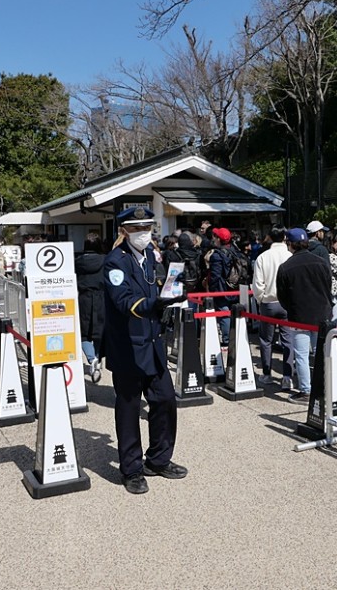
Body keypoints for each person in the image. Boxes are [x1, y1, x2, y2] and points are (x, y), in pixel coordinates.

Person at [103, 206, 187, 495]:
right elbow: (125, 301)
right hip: (127, 346)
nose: (143, 234)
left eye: (147, 227)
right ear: (124, 230)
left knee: (165, 400)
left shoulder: (151, 256)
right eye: (137, 228)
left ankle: (159, 459)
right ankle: (132, 469)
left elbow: (157, 288)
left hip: (153, 342)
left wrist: (172, 295)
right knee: (128, 408)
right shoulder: (115, 262)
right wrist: (155, 305)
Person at [276, 227, 332, 403]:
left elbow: (282, 296)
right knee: (321, 353)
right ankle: (325, 386)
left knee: (301, 355)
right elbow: (328, 286)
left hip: (299, 316)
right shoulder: (321, 262)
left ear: (290, 244)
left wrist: (291, 309)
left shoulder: (286, 267)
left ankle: (306, 390)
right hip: (322, 314)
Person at [252, 226, 294, 388]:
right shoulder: (289, 255)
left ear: (269, 237)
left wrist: (261, 298)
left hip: (268, 302)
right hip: (286, 304)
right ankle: (287, 377)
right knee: (287, 340)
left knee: (266, 340)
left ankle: (267, 373)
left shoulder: (263, 257)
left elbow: (258, 284)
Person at [77, 233, 105, 383]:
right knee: (100, 331)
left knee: (84, 333)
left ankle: (91, 358)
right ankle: (98, 358)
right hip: (101, 298)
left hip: (84, 298)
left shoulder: (77, 262)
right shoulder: (105, 260)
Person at [206, 227, 236, 346]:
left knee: (224, 313)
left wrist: (211, 289)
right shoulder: (234, 250)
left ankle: (227, 340)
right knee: (232, 313)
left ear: (219, 239)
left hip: (222, 288)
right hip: (234, 286)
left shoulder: (217, 255)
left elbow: (215, 275)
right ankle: (233, 337)